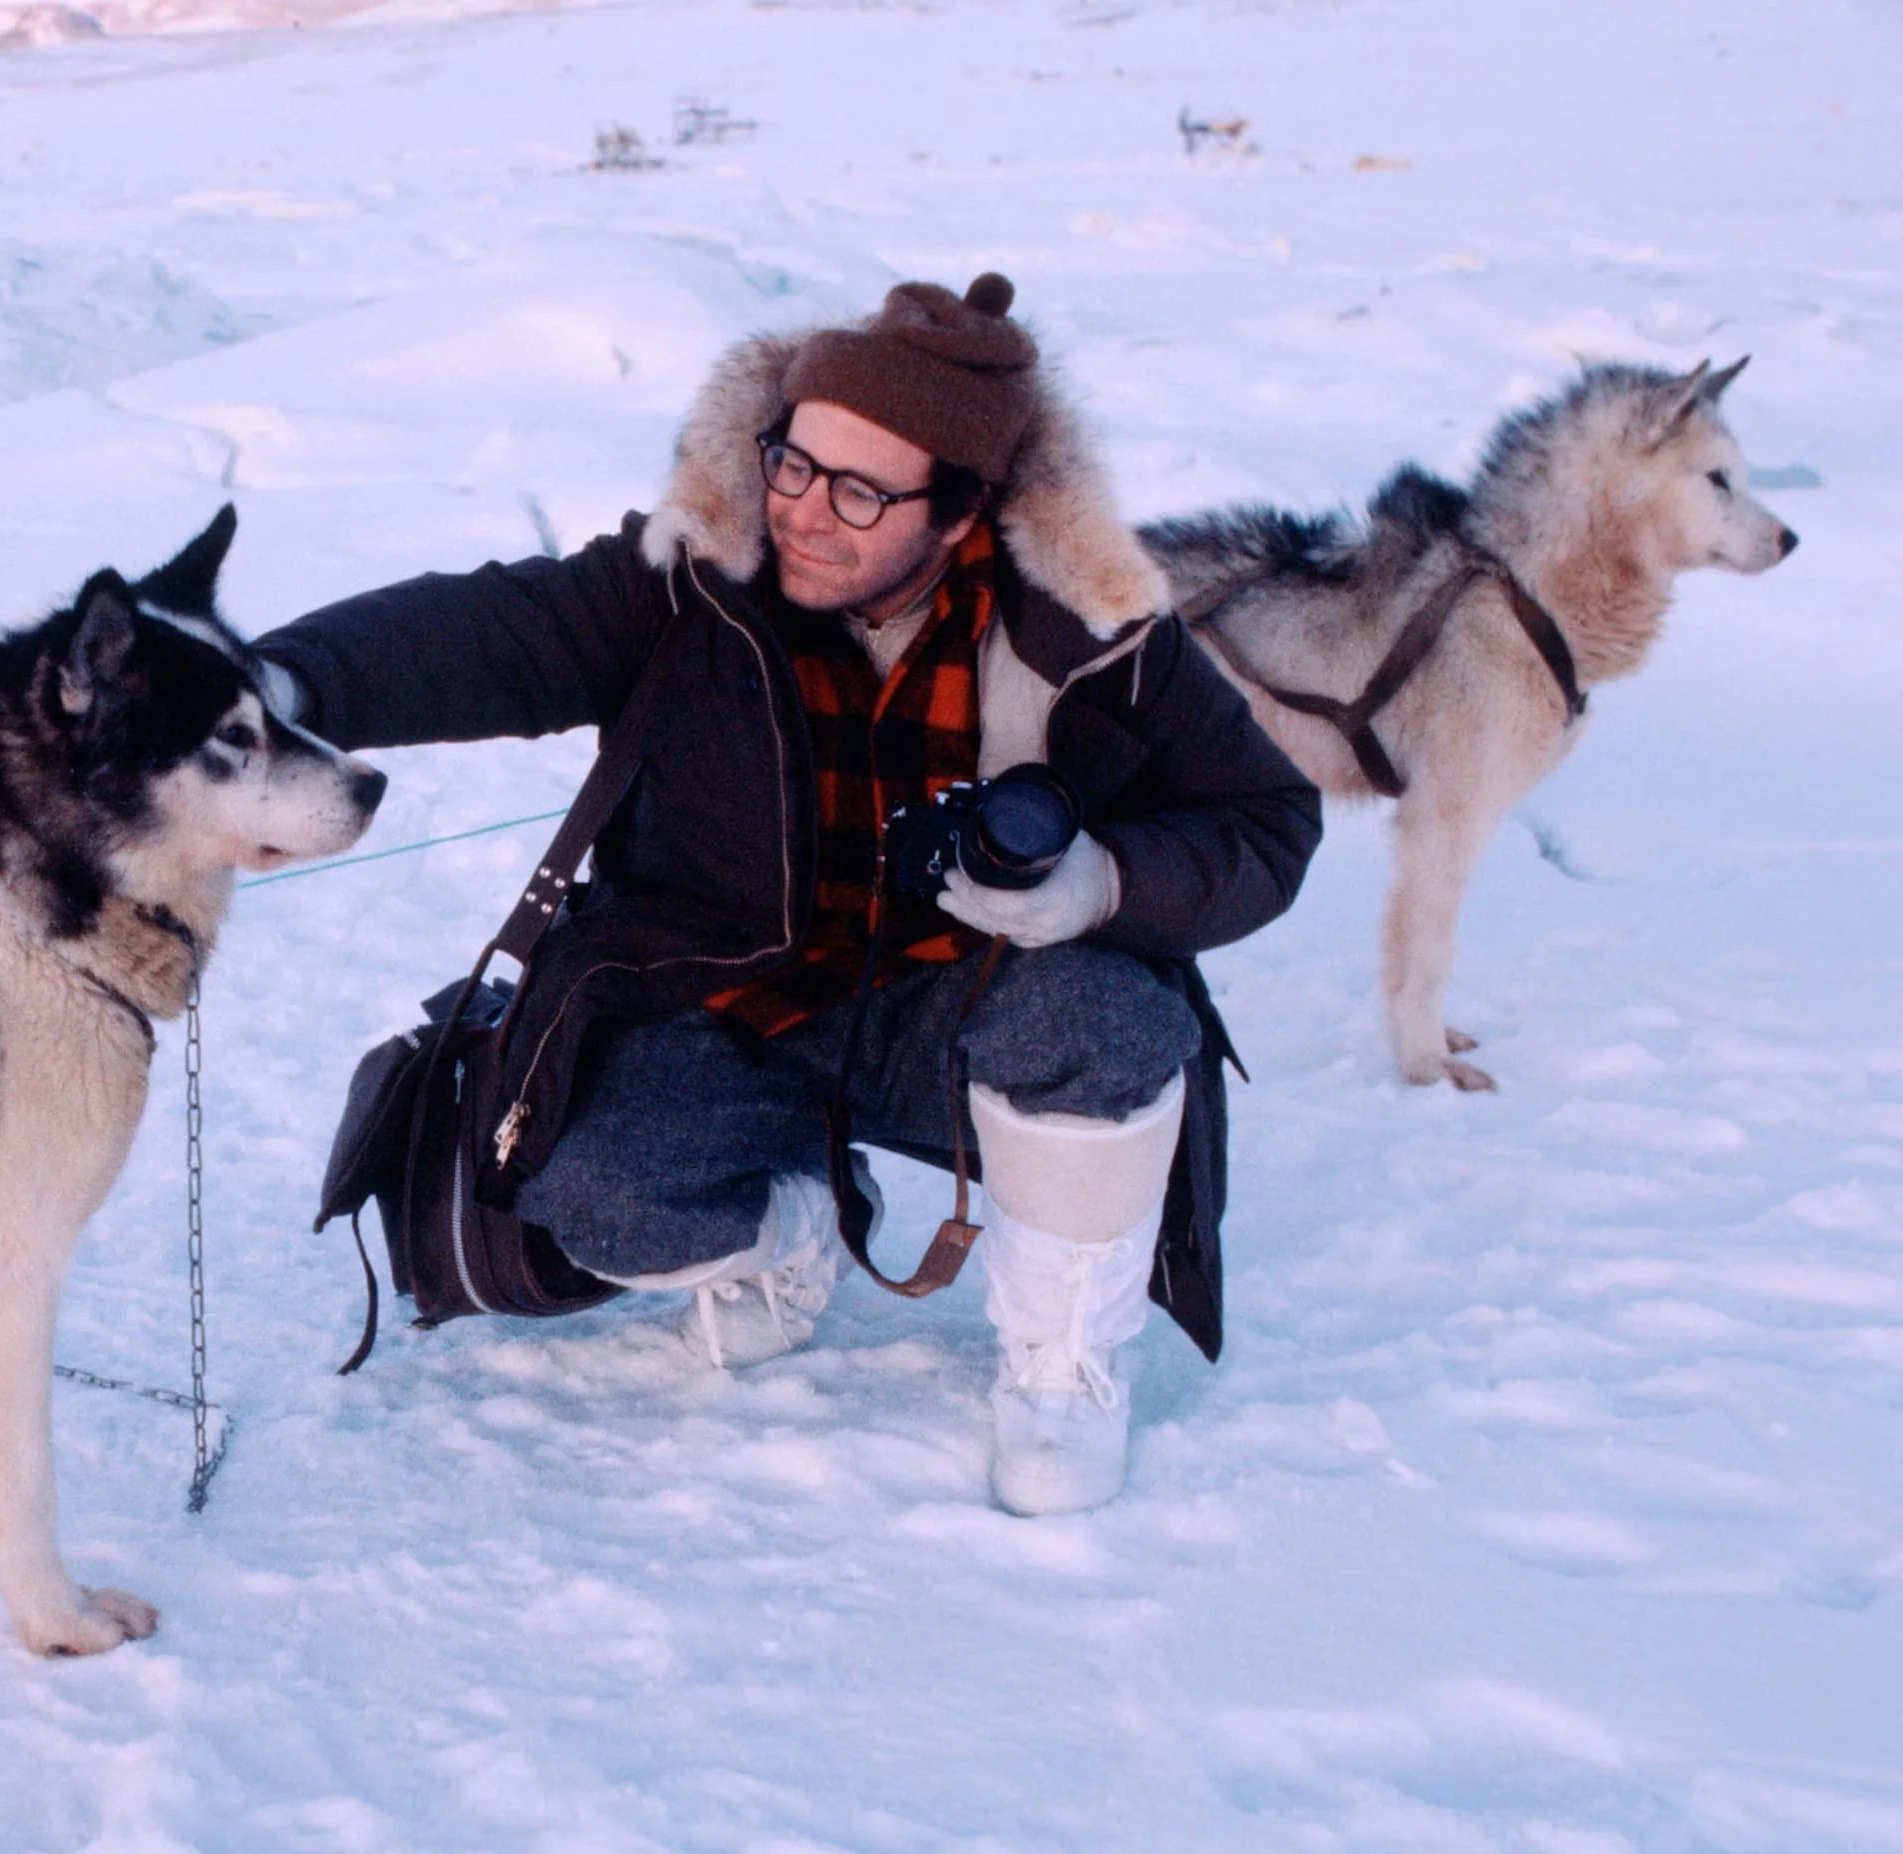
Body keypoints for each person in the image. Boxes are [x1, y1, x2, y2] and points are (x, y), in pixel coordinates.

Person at [256, 274, 1320, 1515]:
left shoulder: (1089, 630)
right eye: (794, 464)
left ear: (961, 511)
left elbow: (1268, 818)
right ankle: (797, 1226)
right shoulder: (695, 583)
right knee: (594, 1188)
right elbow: (493, 629)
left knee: (1109, 1018)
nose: (805, 513)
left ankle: (1064, 1360)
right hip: (727, 992)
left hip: (963, 1003)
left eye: (861, 492)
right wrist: (280, 684)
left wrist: (1102, 882)